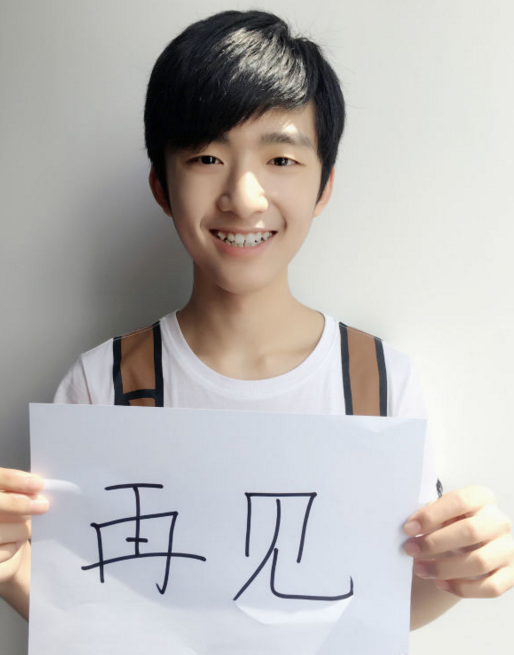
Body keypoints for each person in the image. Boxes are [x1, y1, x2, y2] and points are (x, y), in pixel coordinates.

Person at [0, 8, 512, 632]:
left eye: (282, 159)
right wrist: (11, 568)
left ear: (324, 186)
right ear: (161, 186)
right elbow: (87, 613)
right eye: (206, 158)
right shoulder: (100, 383)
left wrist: (465, 570)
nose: (244, 198)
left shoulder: (379, 382)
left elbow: (382, 609)